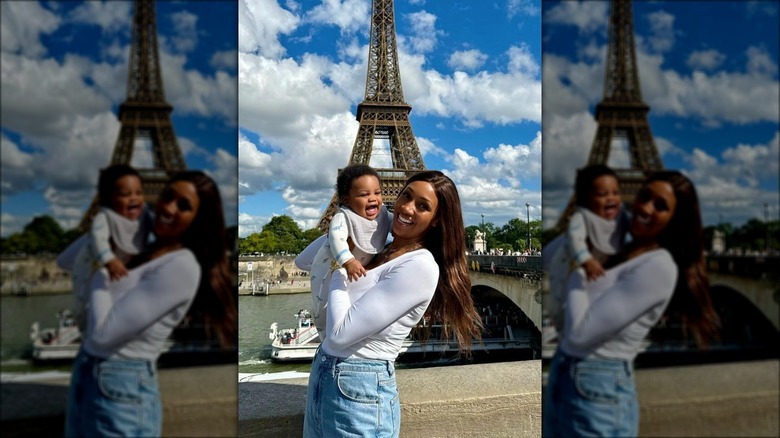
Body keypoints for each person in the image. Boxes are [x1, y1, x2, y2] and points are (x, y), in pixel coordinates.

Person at [302, 170, 482, 438]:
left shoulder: (419, 265)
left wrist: (341, 266)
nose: (407, 208)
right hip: (324, 377)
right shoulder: (378, 247)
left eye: (423, 206)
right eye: (405, 196)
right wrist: (348, 223)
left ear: (436, 220)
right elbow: (304, 260)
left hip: (359, 388)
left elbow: (339, 336)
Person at [542, 171, 720, 437]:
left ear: (675, 220)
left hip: (598, 383)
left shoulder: (659, 266)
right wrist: (589, 225)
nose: (646, 208)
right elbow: (548, 256)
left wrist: (579, 271)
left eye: (661, 206)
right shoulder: (619, 248)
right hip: (567, 375)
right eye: (644, 197)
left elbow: (579, 336)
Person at [64, 171, 236, 437]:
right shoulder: (141, 249)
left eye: (183, 206)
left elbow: (101, 337)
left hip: (120, 383)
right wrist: (111, 223)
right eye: (167, 197)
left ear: (197, 220)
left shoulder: (182, 266)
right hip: (89, 374)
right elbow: (66, 259)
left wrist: (102, 268)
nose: (168, 207)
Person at [57, 164, 153, 330]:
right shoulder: (104, 217)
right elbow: (98, 237)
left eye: (139, 193)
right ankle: (86, 322)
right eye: (126, 194)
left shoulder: (145, 216)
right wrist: (109, 259)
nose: (134, 198)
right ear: (109, 199)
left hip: (121, 265)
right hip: (93, 262)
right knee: (88, 294)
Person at [308, 164, 391, 335]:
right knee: (323, 304)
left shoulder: (384, 215)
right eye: (364, 194)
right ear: (346, 200)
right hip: (329, 269)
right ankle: (325, 335)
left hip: (354, 273)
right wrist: (348, 260)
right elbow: (337, 238)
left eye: (377, 192)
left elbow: (395, 223)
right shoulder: (343, 216)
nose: (373, 198)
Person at [546, 164, 630, 331]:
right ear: (586, 198)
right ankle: (573, 327)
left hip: (604, 268)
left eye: (615, 193)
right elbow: (574, 239)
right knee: (573, 290)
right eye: (602, 194)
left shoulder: (622, 217)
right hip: (574, 266)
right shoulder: (582, 217)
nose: (611, 198)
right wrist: (586, 260)